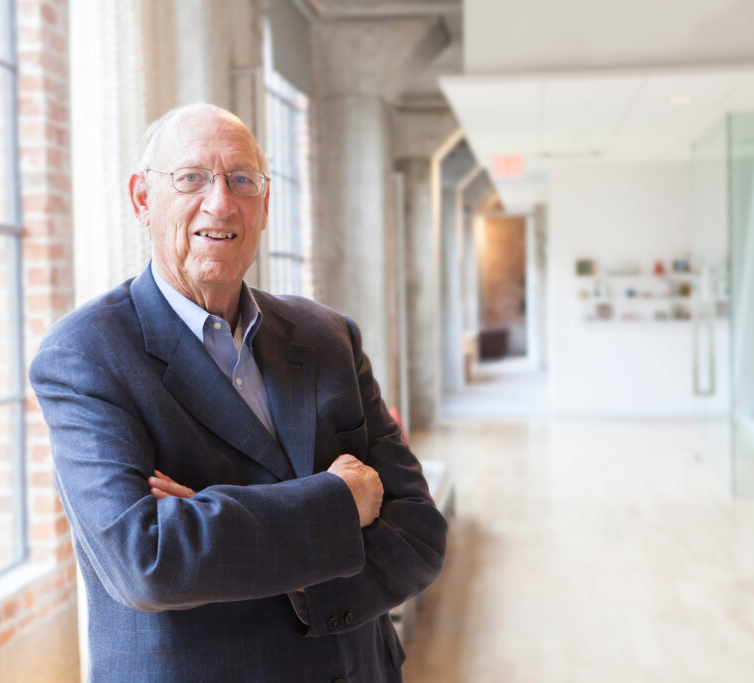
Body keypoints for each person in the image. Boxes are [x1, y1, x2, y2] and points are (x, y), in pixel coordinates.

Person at [29, 103, 448, 682]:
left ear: (265, 204)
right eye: (191, 178)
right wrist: (342, 503)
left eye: (242, 180)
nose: (220, 202)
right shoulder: (85, 355)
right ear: (142, 199)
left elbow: (422, 533)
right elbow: (148, 562)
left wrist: (221, 533)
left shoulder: (329, 337)